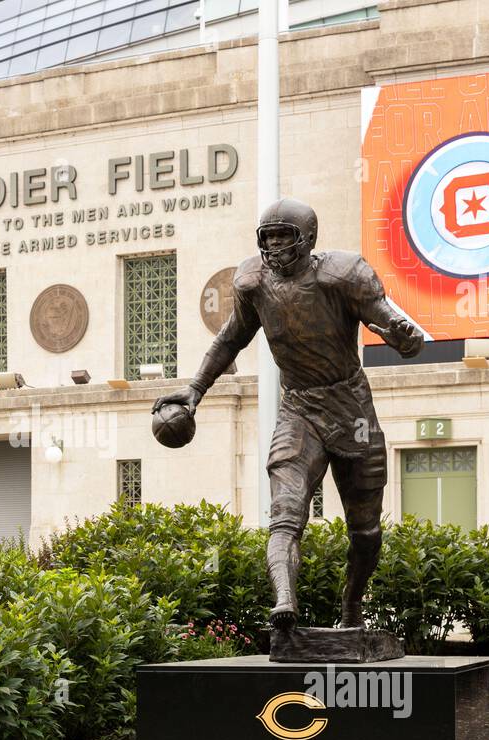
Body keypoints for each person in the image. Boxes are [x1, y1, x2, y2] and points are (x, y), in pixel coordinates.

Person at [153, 198, 424, 660]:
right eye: (269, 236)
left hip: (350, 407)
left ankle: (352, 605)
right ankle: (285, 600)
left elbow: (386, 316)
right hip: (298, 408)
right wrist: (194, 391)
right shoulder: (253, 283)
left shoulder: (342, 274)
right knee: (285, 512)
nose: (275, 246)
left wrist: (403, 333)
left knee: (365, 530)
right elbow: (230, 338)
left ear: (308, 240)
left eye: (284, 236)